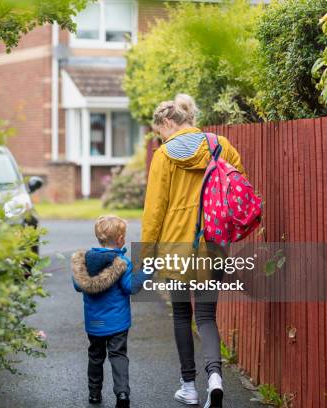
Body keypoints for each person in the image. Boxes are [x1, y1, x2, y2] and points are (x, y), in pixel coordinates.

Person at [142, 94, 245, 408]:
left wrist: (147, 252)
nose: (162, 138)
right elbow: (239, 187)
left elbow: (155, 210)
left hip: (176, 246)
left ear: (169, 123)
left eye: (161, 132)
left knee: (181, 315)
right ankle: (215, 378)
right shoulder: (221, 145)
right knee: (206, 316)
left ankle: (189, 387)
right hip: (213, 242)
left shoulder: (163, 156)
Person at [71, 215, 150, 408]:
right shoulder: (122, 263)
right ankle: (122, 394)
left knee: (95, 356)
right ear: (121, 238)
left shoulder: (85, 262)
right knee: (118, 355)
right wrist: (146, 271)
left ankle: (94, 394)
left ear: (99, 238)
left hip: (95, 323)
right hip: (117, 323)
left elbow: (78, 285)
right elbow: (131, 287)